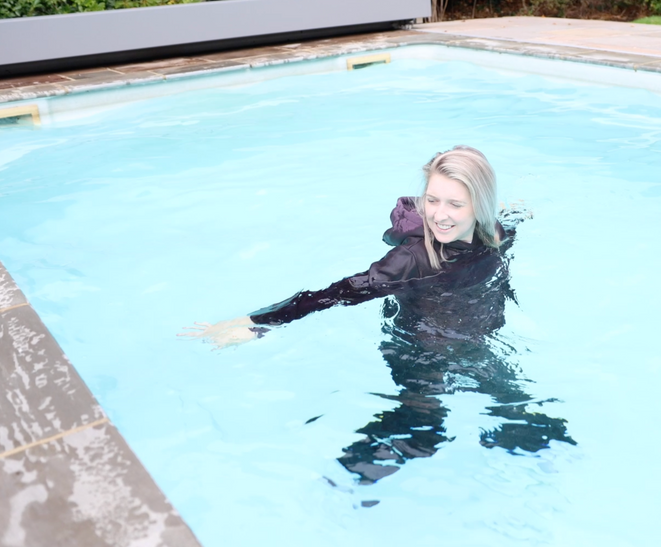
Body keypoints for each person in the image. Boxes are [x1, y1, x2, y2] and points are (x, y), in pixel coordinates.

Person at [182, 146, 575, 483]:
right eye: (432, 200)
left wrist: (519, 213)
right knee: (423, 428)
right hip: (417, 351)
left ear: (481, 207)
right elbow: (340, 293)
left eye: (455, 204)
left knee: (514, 408)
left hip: (475, 344)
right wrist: (258, 322)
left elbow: (503, 229)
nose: (439, 215)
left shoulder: (495, 234)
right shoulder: (411, 260)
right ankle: (342, 486)